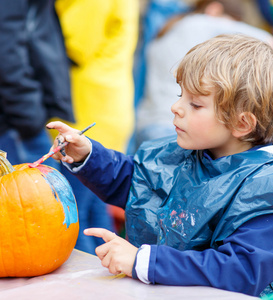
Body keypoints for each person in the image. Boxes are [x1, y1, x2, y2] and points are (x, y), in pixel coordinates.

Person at [46, 34, 273, 297]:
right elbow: (137, 184)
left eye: (196, 104)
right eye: (181, 95)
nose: (175, 107)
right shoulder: (187, 153)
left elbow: (241, 271)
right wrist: (88, 155)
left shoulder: (270, 192)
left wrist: (145, 262)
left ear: (242, 124)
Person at [134, 0, 273, 150]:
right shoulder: (201, 23)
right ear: (214, 9)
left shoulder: (164, 33)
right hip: (173, 127)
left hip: (146, 122)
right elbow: (268, 40)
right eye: (230, 23)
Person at [54, 0, 139, 247]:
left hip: (90, 107)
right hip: (106, 103)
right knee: (92, 211)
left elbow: (76, 42)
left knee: (70, 215)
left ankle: (77, 283)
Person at [0, 0, 74, 168]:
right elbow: (7, 52)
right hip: (16, 121)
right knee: (41, 190)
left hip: (21, 114)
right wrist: (29, 118)